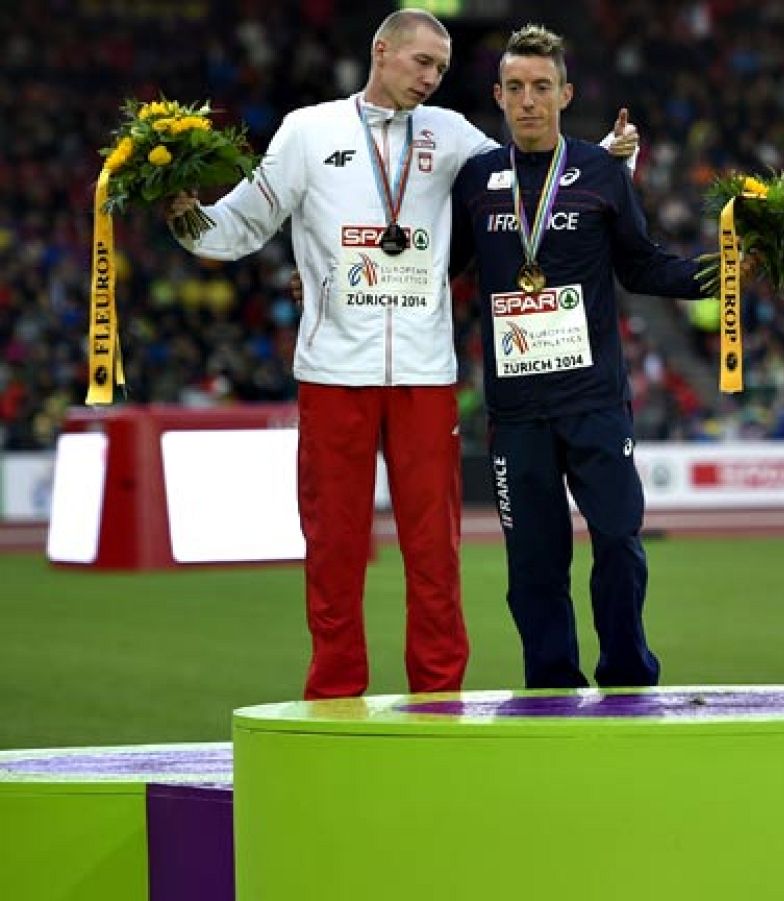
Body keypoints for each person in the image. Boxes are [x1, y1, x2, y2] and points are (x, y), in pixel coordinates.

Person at [167, 10, 640, 700]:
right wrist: (185, 216)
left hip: (423, 374)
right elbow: (243, 220)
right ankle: (333, 694)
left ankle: (437, 697)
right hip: (333, 371)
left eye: (442, 69)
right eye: (421, 63)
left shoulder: (450, 135)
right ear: (380, 51)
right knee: (333, 546)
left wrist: (609, 154)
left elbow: (531, 173)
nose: (431, 78)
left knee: (433, 551)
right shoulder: (308, 132)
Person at [450, 23, 709, 689]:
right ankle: (551, 685)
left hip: (594, 400)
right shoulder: (477, 180)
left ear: (565, 94)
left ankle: (626, 674)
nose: (528, 100)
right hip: (517, 412)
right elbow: (437, 268)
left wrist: (725, 274)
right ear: (498, 96)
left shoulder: (598, 173)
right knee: (533, 563)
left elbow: (643, 265)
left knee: (620, 540)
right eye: (515, 88)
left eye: (541, 87)